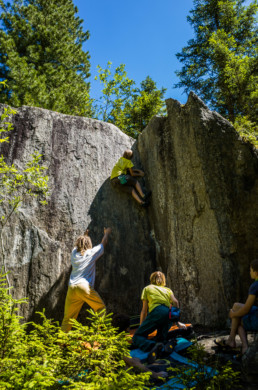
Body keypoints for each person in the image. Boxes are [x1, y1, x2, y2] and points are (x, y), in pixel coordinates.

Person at [61, 227, 111, 332]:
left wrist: (85, 235)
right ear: (89, 244)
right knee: (101, 308)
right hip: (83, 286)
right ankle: (100, 336)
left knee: (68, 318)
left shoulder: (74, 253)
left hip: (71, 288)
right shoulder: (91, 253)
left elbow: (81, 245)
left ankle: (60, 344)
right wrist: (106, 233)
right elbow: (103, 243)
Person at [132, 271, 185, 363]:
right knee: (160, 338)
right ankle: (166, 344)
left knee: (138, 336)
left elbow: (144, 310)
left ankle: (153, 346)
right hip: (169, 314)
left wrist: (141, 326)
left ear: (152, 279)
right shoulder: (168, 290)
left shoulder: (147, 288)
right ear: (163, 280)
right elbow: (176, 302)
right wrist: (177, 322)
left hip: (157, 311)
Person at [215, 259, 258, 354]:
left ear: (256, 272)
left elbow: (246, 309)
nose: (249, 272)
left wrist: (233, 315)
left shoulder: (255, 286)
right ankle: (231, 340)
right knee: (236, 305)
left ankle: (244, 346)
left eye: (250, 270)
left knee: (237, 321)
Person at [111, 313, 168, 380]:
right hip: (114, 375)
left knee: (133, 360)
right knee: (134, 364)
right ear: (127, 329)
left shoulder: (110, 339)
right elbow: (133, 363)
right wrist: (155, 375)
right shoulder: (117, 344)